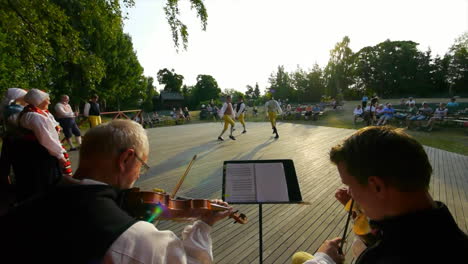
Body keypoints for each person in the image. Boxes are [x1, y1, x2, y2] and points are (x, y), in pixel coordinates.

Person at [1, 119, 233, 263]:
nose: (140, 174)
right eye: (142, 164)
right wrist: (203, 226)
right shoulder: (136, 239)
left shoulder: (21, 211)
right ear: (126, 158)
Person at [292, 126, 468, 264]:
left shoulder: (383, 258)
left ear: (376, 186)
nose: (350, 194)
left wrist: (324, 259)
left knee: (299, 257)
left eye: (350, 185)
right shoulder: (448, 235)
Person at [14, 89, 72, 202]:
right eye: (47, 100)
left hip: (37, 151)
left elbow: (53, 128)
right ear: (38, 101)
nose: (49, 102)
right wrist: (60, 155)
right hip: (41, 153)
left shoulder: (39, 113)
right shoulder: (35, 116)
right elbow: (47, 139)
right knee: (46, 180)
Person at [0, 88, 28, 187]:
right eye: (25, 97)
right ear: (18, 98)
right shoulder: (13, 110)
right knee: (19, 165)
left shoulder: (15, 108)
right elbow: (21, 125)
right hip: (17, 141)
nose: (27, 99)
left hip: (14, 140)